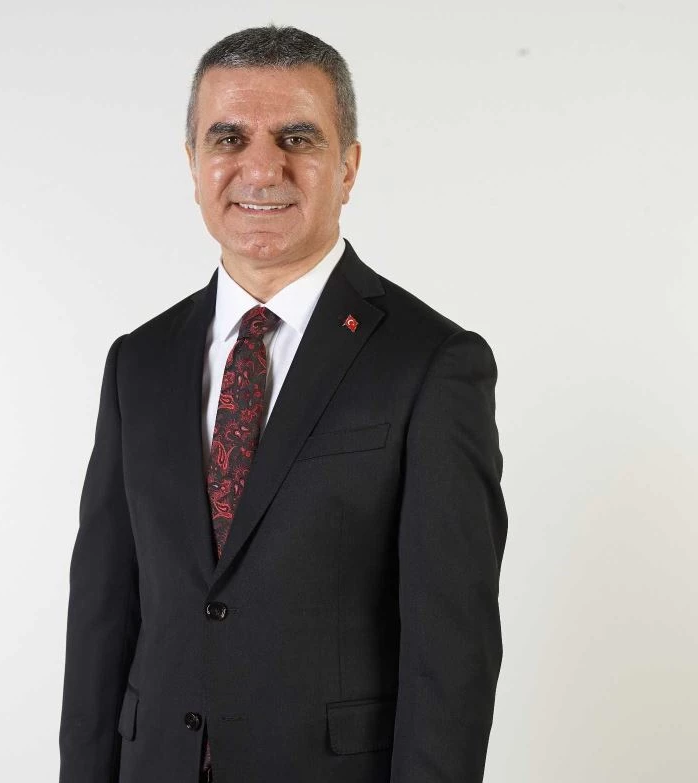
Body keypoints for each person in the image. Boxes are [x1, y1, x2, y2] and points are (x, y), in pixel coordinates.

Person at [58, 24, 508, 783]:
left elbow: (451, 655)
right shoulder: (139, 361)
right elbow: (102, 615)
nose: (262, 168)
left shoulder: (433, 363)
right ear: (194, 164)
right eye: (228, 137)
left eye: (297, 138)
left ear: (348, 166)